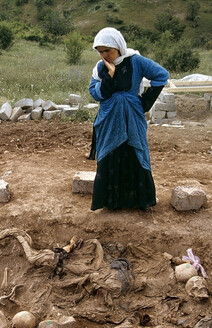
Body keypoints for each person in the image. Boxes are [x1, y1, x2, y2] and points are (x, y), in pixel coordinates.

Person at [88, 27, 169, 211]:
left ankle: (139, 200)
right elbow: (95, 92)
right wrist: (109, 75)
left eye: (107, 50)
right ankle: (111, 202)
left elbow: (161, 75)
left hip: (132, 116)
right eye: (100, 51)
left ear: (118, 46)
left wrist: (145, 102)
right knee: (109, 154)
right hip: (109, 119)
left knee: (135, 151)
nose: (104, 55)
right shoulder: (100, 68)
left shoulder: (136, 61)